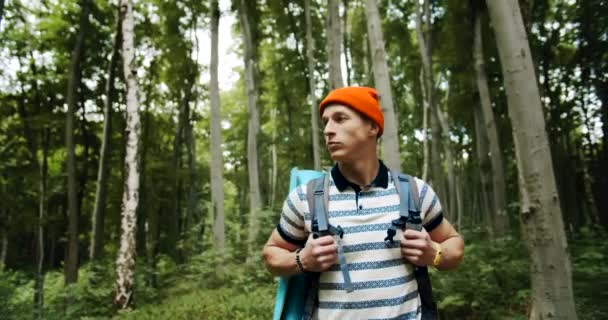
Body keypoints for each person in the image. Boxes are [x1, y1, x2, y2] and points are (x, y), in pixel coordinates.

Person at [262, 86, 464, 319]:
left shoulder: (414, 192)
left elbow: (454, 246)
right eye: (326, 122)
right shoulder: (305, 198)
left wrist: (435, 254)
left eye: (340, 119)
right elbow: (271, 255)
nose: (328, 130)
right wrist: (302, 260)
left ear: (372, 127)